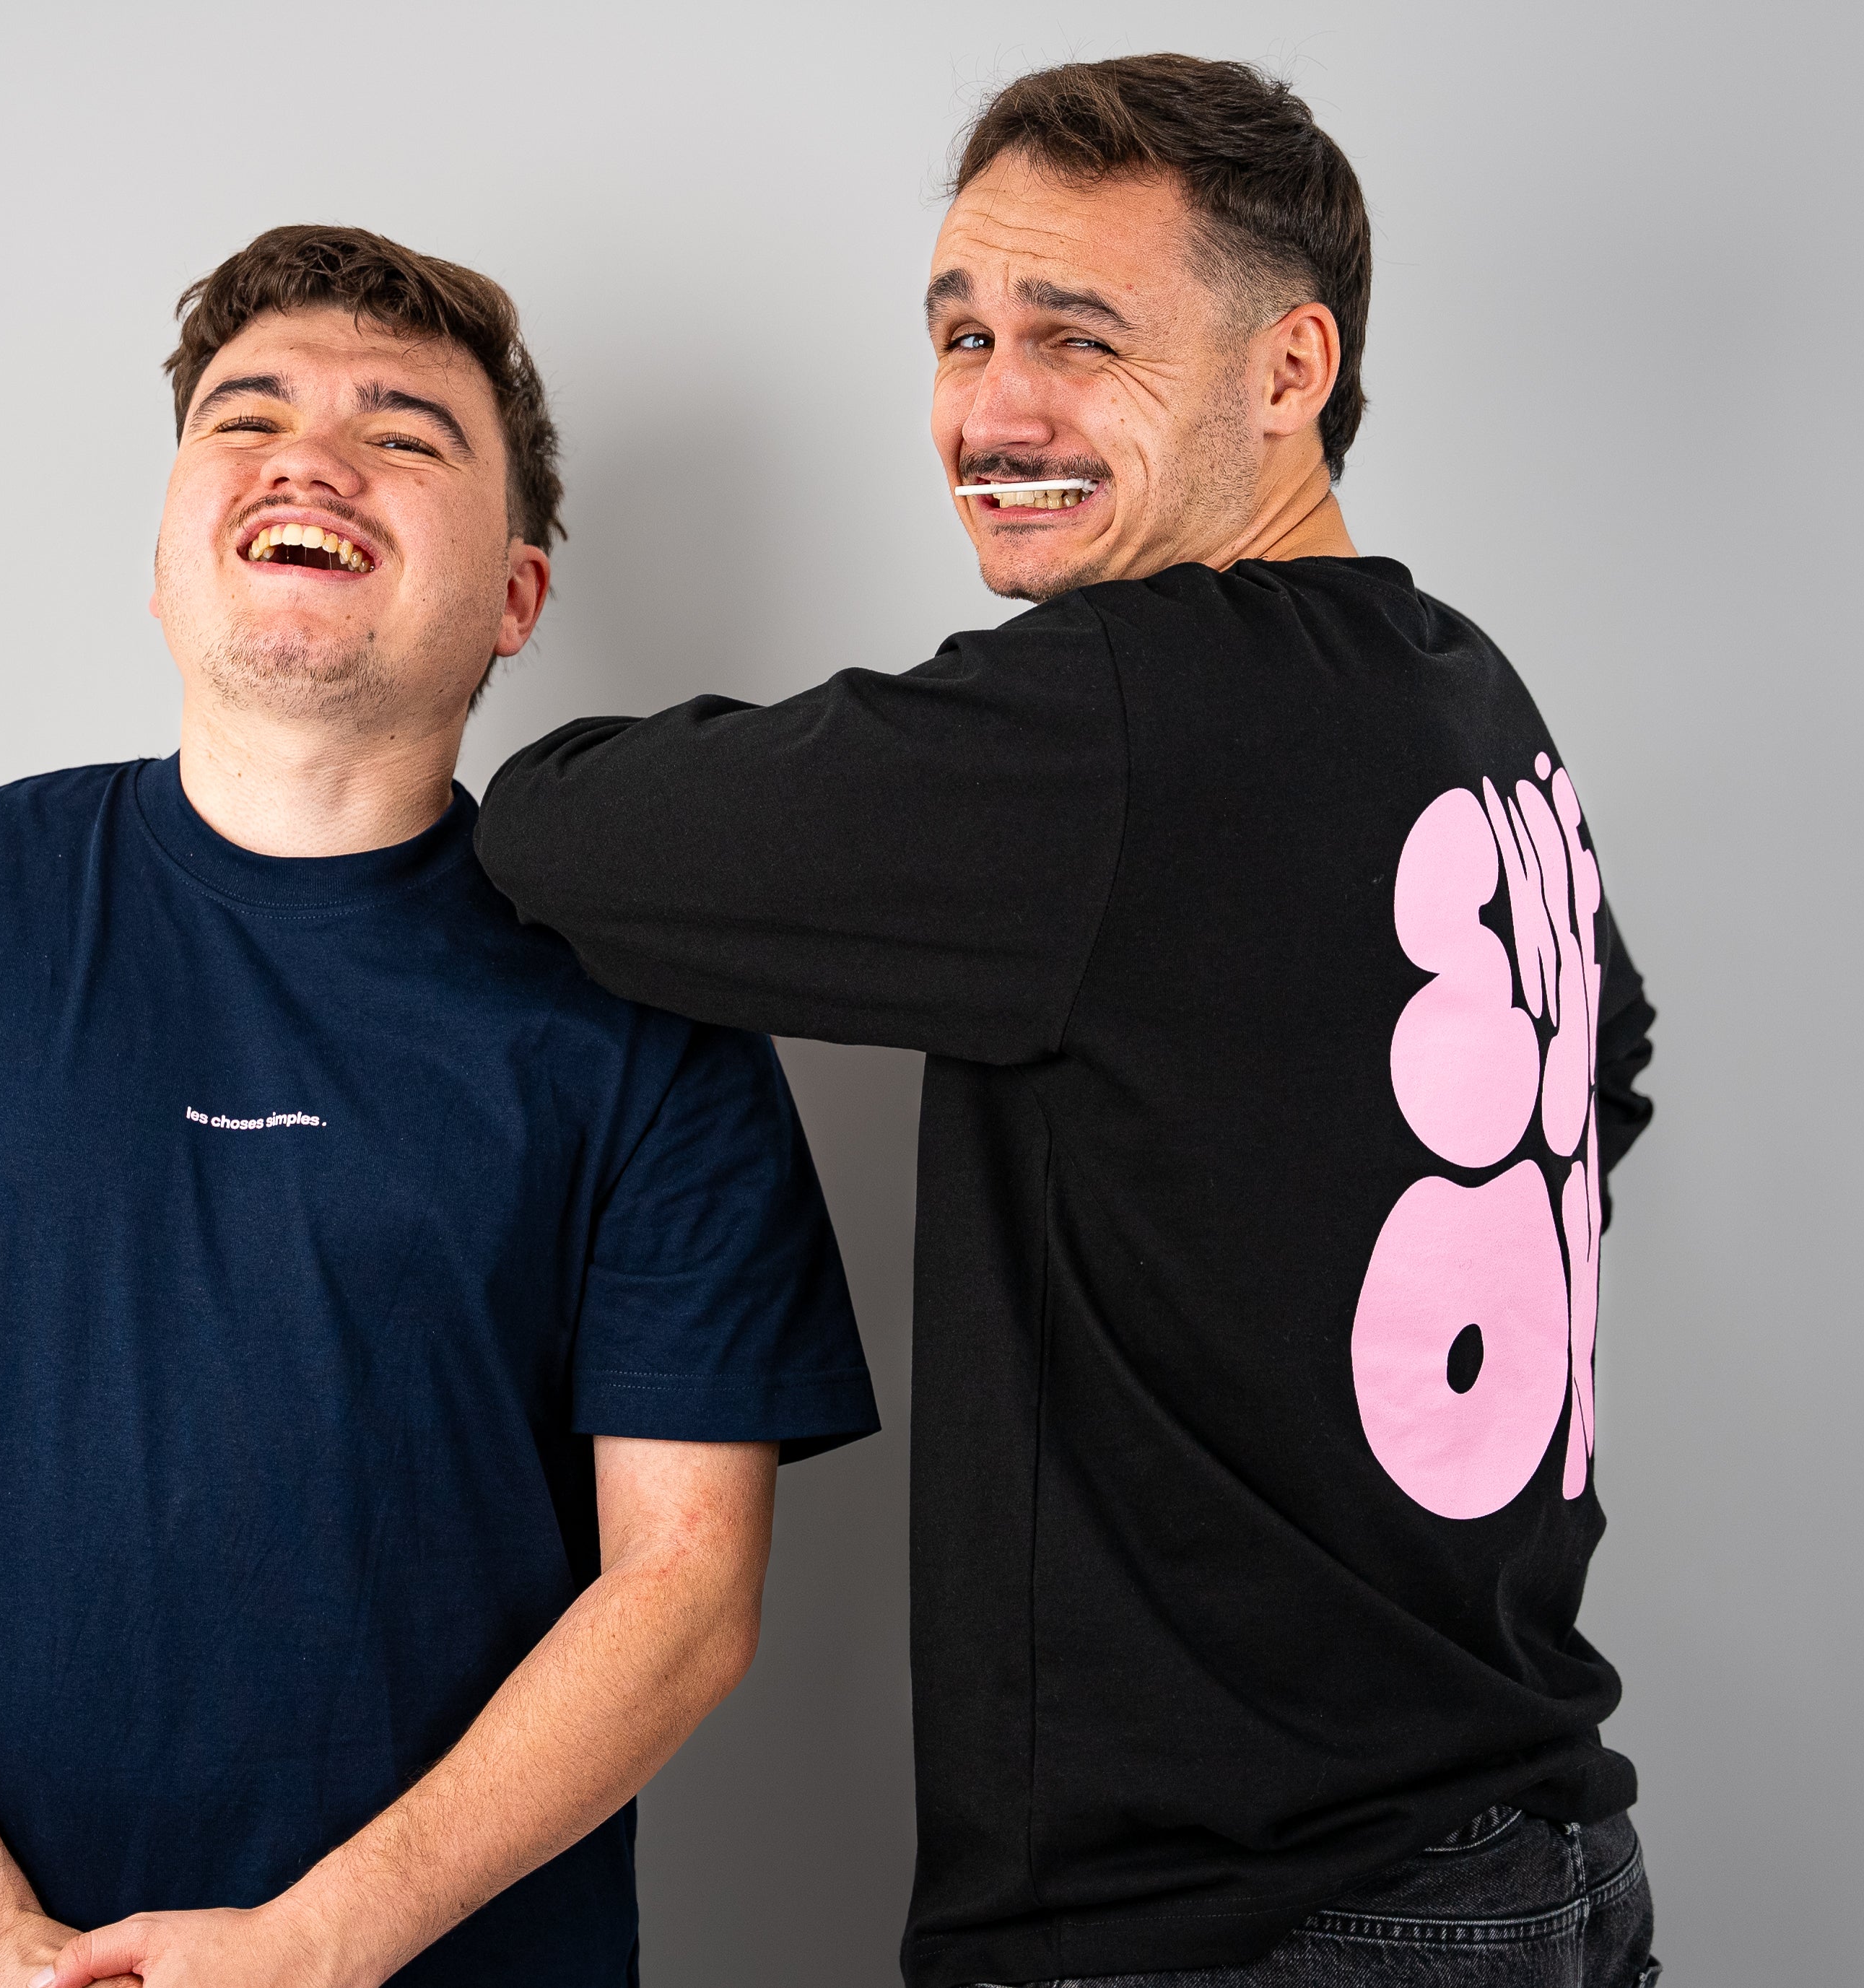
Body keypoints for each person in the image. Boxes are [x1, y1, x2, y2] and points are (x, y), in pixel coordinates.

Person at [0, 224, 877, 1988]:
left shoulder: (646, 1010)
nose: (308, 460)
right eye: (244, 419)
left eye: (404, 433)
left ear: (514, 598)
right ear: (163, 559)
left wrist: (323, 1945)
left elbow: (683, 1592)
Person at [475, 55, 1659, 1988]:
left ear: (1286, 371)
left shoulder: (1123, 709)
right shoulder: (1453, 685)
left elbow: (566, 837)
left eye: (1077, 337)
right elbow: (1600, 1065)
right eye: (961, 333)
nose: (992, 409)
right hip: (1536, 1863)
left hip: (1241, 1921)